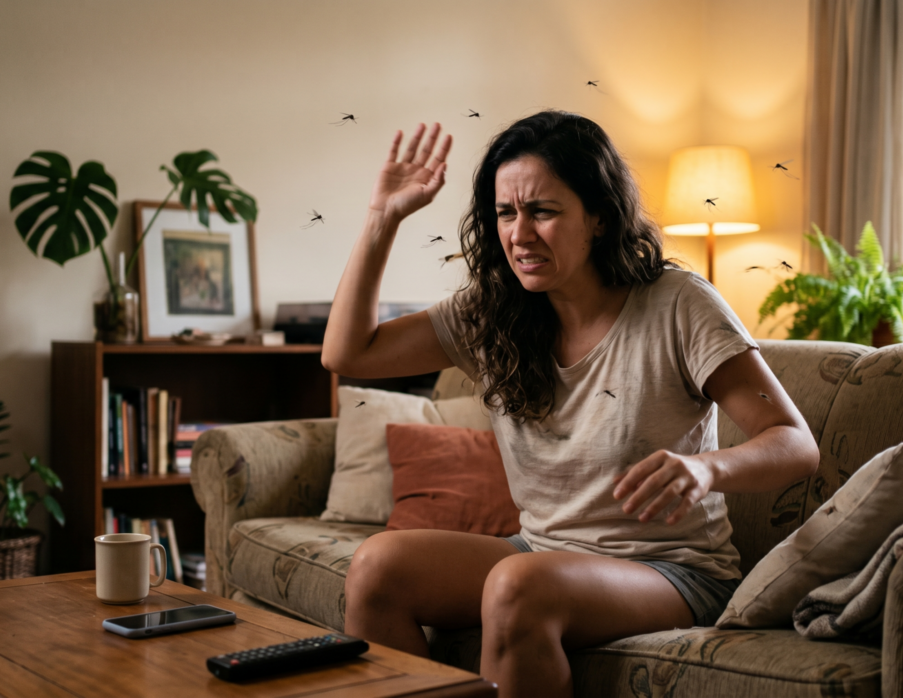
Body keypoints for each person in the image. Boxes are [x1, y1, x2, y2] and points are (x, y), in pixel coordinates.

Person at [321, 111, 818, 698]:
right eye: (506, 213)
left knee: (517, 583)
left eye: (543, 211)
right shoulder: (491, 312)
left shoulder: (678, 303)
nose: (519, 234)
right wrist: (383, 217)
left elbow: (796, 444)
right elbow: (348, 353)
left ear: (600, 218)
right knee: (378, 568)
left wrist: (706, 467)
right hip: (541, 553)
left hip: (671, 572)